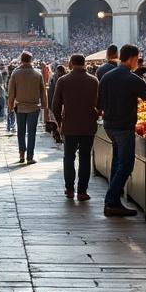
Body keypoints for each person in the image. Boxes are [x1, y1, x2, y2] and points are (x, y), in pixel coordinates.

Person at [97, 44, 146, 217]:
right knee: (126, 165)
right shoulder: (132, 79)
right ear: (131, 59)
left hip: (109, 125)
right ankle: (111, 202)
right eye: (137, 59)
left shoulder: (106, 77)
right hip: (124, 127)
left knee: (117, 162)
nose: (137, 62)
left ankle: (114, 201)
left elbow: (98, 104)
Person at [52, 54, 99, 200]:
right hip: (88, 125)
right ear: (84, 64)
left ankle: (70, 189)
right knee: (85, 158)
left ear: (71, 64)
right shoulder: (94, 81)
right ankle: (83, 191)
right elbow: (99, 104)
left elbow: (55, 105)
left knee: (69, 157)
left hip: (70, 125)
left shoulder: (63, 80)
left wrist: (59, 122)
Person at [6, 52, 44, 165]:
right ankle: (30, 156)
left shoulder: (16, 73)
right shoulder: (37, 74)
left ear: (21, 60)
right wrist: (45, 105)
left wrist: (10, 106)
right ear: (31, 60)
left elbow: (11, 92)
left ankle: (22, 154)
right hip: (34, 106)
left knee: (20, 132)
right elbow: (43, 92)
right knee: (32, 132)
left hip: (20, 106)